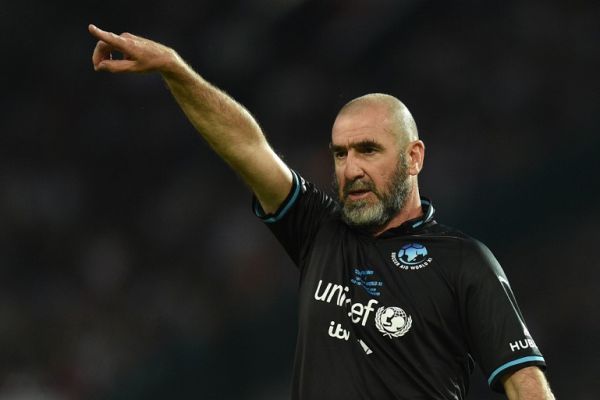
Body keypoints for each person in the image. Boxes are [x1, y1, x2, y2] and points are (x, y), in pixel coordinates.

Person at [88, 24, 555, 400]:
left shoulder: (463, 262)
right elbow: (247, 147)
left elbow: (526, 385)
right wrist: (175, 69)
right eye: (339, 153)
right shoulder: (319, 230)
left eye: (368, 150)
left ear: (414, 157)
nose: (350, 169)